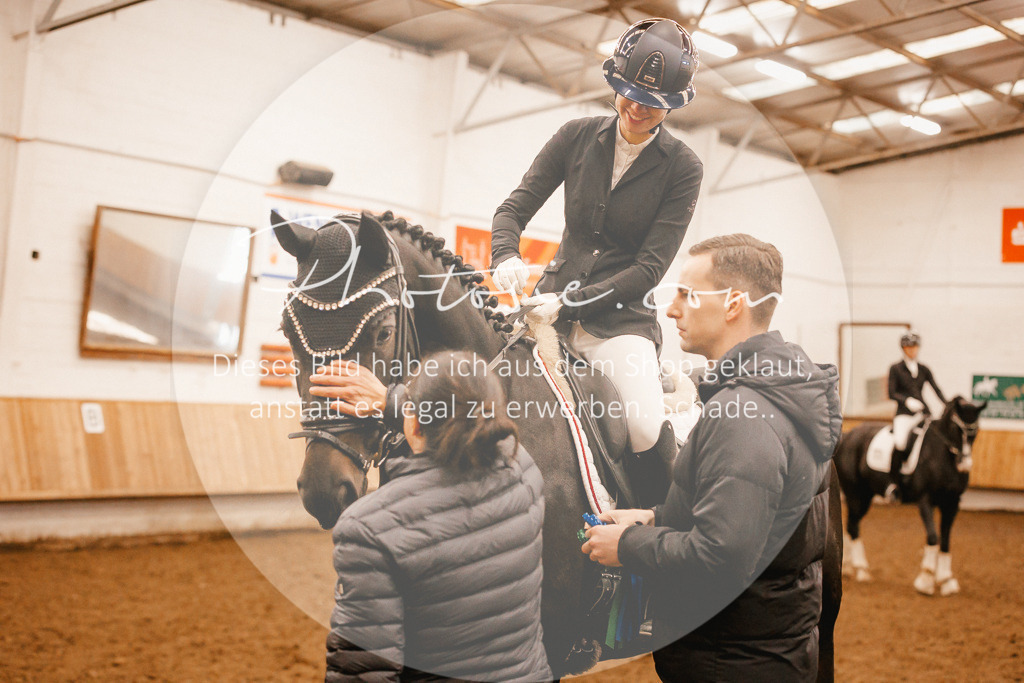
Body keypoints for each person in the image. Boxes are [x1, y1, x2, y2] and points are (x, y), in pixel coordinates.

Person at [581, 234, 842, 681]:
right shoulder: (778, 392)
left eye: (688, 294)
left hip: (731, 662)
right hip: (760, 651)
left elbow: (721, 558)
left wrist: (627, 546)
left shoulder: (744, 414)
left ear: (733, 304)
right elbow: (750, 521)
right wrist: (656, 518)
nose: (671, 309)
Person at [490, 18, 704, 503]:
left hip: (619, 322)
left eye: (653, 104)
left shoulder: (683, 167)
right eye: (630, 94)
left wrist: (568, 305)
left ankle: (654, 539)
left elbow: (649, 269)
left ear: (671, 105)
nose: (637, 108)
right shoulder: (575, 136)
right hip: (546, 314)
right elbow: (512, 210)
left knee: (646, 427)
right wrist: (505, 253)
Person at [319, 351, 551, 683]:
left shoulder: (367, 527)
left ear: (412, 422)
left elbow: (365, 670)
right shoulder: (523, 469)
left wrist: (392, 401)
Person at [886, 330, 946, 500]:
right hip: (904, 414)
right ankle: (893, 483)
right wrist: (907, 401)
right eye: (908, 347)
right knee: (900, 443)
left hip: (922, 413)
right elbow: (892, 392)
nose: (912, 350)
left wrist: (947, 404)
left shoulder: (924, 369)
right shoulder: (895, 368)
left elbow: (936, 388)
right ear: (903, 349)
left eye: (914, 347)